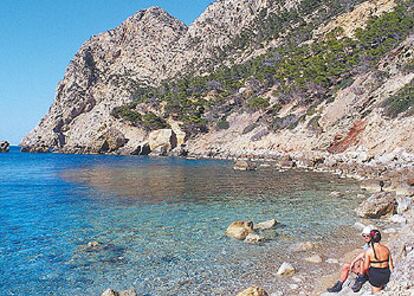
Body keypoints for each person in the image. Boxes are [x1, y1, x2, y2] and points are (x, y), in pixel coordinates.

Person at [327, 225, 374, 293]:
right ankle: (339, 285)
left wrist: (358, 262)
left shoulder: (374, 246)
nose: (366, 237)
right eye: (364, 236)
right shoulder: (367, 245)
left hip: (370, 271)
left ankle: (360, 280)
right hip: (364, 270)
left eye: (368, 235)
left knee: (363, 260)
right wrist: (354, 262)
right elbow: (363, 254)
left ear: (371, 235)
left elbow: (367, 258)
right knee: (346, 266)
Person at [363, 229, 393, 293]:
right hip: (386, 275)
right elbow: (391, 266)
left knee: (376, 293)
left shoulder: (369, 251)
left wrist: (369, 274)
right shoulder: (386, 249)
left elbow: (365, 268)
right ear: (380, 238)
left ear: (371, 238)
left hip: (375, 275)